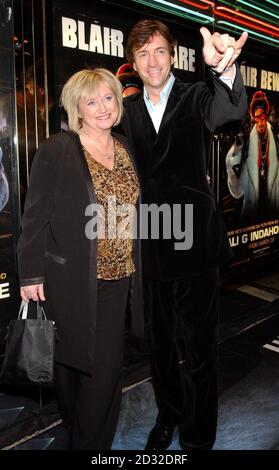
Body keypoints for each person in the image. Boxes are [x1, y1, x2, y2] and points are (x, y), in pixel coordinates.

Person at [120, 19, 248, 450]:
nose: (152, 61)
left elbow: (229, 111)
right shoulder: (127, 111)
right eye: (142, 54)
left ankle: (197, 436)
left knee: (198, 350)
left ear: (173, 54)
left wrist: (224, 71)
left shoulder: (196, 95)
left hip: (196, 245)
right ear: (133, 62)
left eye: (159, 51)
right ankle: (168, 414)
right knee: (160, 350)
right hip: (153, 245)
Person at [17, 68, 143, 450]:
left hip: (117, 279)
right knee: (70, 367)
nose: (102, 107)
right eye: (91, 101)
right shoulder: (59, 149)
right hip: (69, 280)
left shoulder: (123, 146)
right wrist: (29, 275)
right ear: (78, 109)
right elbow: (34, 216)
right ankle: (80, 431)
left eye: (108, 98)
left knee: (104, 374)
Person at [226, 90, 279, 222]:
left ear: (266, 116)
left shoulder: (277, 142)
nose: (260, 123)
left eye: (261, 117)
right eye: (256, 118)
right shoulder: (246, 145)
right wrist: (236, 156)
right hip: (252, 218)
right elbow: (237, 192)